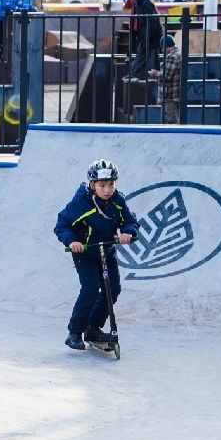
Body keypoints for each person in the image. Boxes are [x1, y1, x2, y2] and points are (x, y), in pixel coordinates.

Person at [53, 158, 141, 351]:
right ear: (92, 185)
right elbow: (62, 224)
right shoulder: (81, 203)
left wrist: (128, 232)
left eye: (111, 184)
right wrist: (72, 241)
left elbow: (130, 220)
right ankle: (74, 332)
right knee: (91, 290)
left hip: (107, 251)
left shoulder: (118, 201)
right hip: (85, 252)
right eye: (102, 185)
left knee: (113, 290)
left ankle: (93, 328)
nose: (107, 190)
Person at [123, 0, 163, 80]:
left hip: (149, 37)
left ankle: (133, 74)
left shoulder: (146, 5)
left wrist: (145, 39)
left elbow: (150, 25)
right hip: (150, 37)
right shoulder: (144, 3)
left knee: (141, 56)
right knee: (148, 58)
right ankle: (138, 75)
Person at [150, 33, 181, 123]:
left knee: (170, 122)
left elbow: (166, 76)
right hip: (175, 95)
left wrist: (155, 73)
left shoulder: (171, 56)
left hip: (169, 97)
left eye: (162, 47)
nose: (162, 50)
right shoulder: (178, 54)